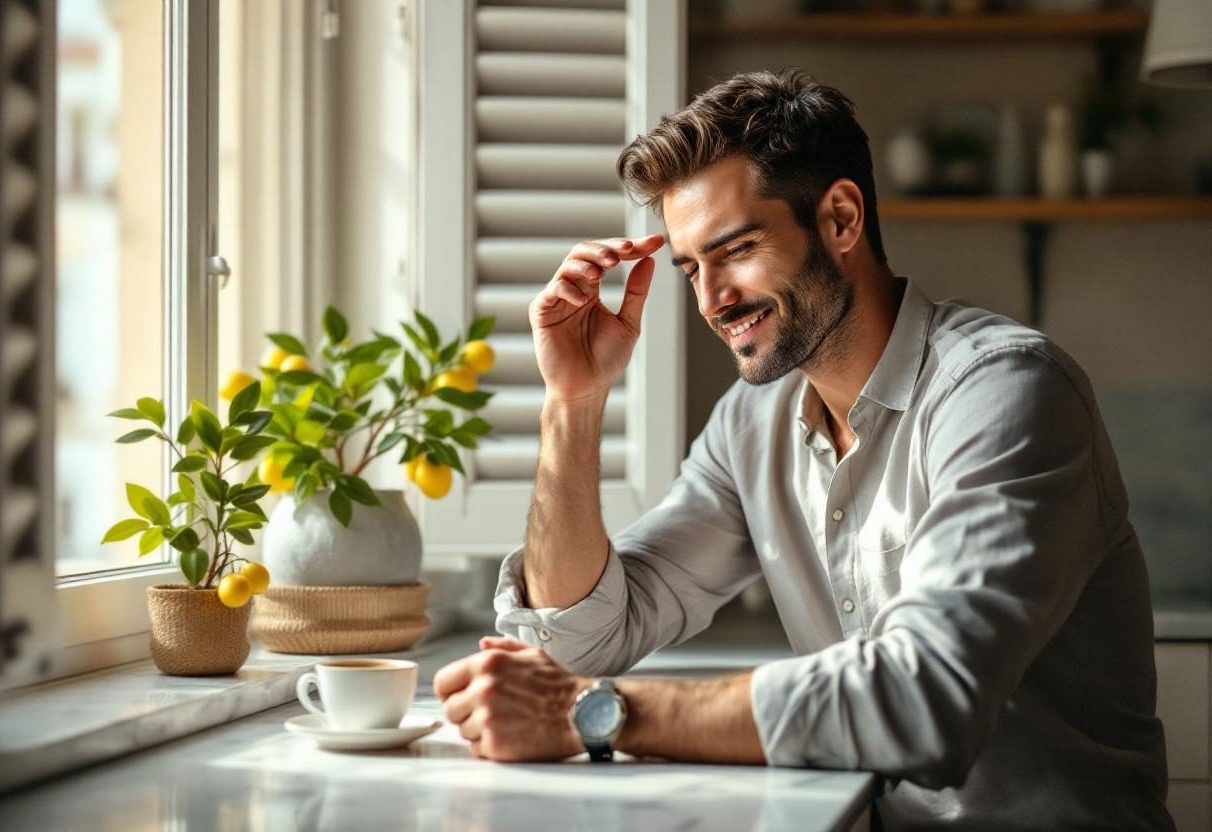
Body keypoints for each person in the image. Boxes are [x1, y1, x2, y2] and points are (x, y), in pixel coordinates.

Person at [433, 70, 1173, 829]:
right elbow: (586, 639)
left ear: (841, 218)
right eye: (691, 268)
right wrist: (574, 401)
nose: (711, 301)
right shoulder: (752, 422)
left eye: (737, 249)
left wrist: (596, 715)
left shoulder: (1006, 392)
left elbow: (928, 700)